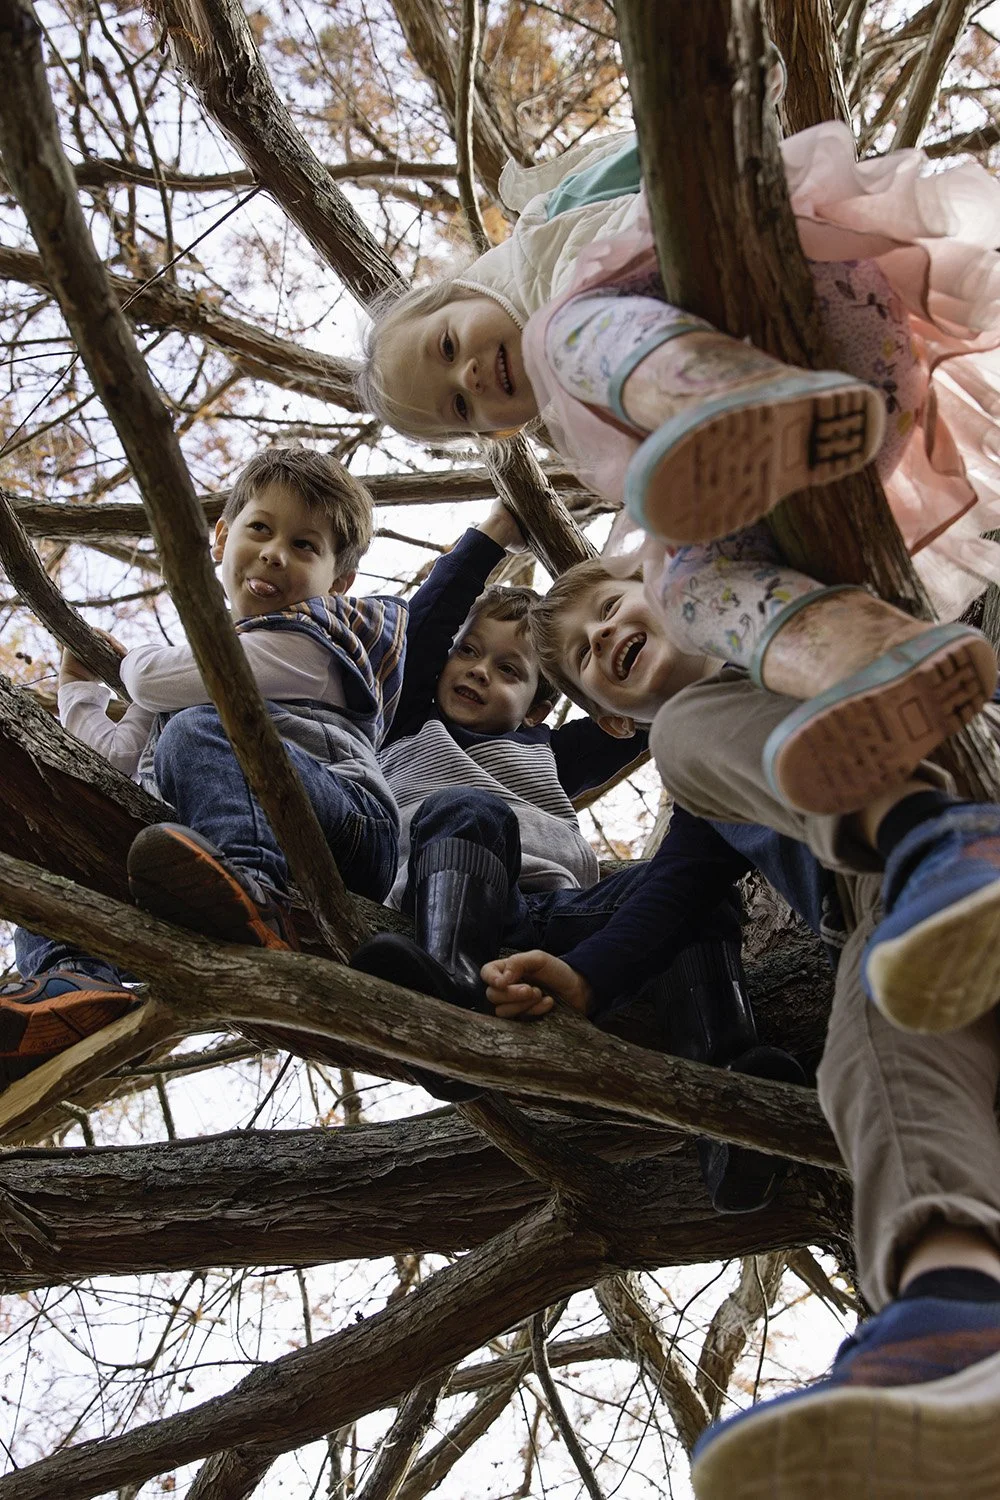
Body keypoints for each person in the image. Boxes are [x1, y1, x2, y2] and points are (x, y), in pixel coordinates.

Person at [504, 555, 1000, 1496]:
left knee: (691, 730)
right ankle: (955, 1312)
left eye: (614, 607)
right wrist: (581, 976)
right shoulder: (701, 790)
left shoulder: (787, 629)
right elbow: (668, 900)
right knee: (864, 1058)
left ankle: (937, 831)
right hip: (902, 920)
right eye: (585, 656)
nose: (606, 637)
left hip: (971, 772)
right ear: (611, 720)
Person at [353, 123, 1000, 816]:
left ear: (463, 288)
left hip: (818, 301)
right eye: (459, 405)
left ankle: (741, 406)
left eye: (449, 344)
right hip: (856, 429)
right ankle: (872, 662)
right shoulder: (583, 423)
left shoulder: (551, 245)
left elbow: (684, 135)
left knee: (562, 337)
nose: (472, 373)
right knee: (687, 586)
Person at [350, 500, 802, 1215]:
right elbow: (425, 625)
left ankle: (728, 1081)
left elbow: (648, 699)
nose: (476, 671)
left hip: (568, 923)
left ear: (537, 706)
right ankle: (449, 997)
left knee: (682, 889)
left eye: (507, 669)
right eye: (466, 653)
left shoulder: (551, 754)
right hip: (461, 905)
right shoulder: (408, 721)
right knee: (469, 808)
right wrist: (496, 533)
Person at [0, 447, 406, 1089]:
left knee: (203, 728)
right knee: (65, 845)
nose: (276, 552)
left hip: (347, 831)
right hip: (207, 857)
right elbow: (103, 768)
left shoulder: (318, 640)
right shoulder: (184, 681)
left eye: (305, 545)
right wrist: (80, 691)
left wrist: (134, 666)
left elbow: (160, 683)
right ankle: (70, 982)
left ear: (339, 580)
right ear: (222, 537)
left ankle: (251, 894)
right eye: (261, 529)